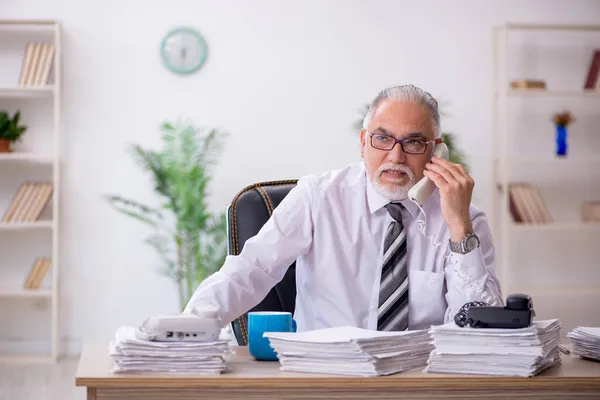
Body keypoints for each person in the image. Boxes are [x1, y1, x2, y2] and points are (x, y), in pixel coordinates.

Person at [183, 84, 503, 333]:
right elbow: (250, 270)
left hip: (418, 381)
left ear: (437, 150)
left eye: (413, 143)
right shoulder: (317, 197)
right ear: (363, 141)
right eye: (382, 138)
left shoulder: (466, 219)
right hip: (325, 378)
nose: (395, 156)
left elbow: (479, 331)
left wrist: (459, 229)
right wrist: (187, 331)